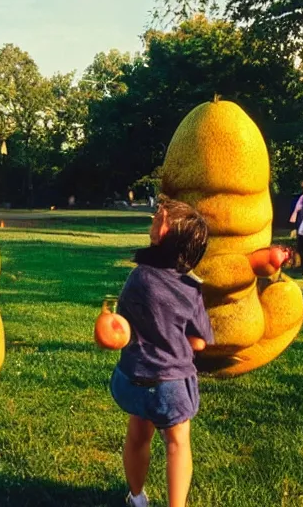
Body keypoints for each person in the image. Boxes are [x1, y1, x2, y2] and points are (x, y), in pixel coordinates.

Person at [108, 197, 213, 507]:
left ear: (168, 236)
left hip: (135, 376)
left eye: (160, 218)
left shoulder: (139, 278)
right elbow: (200, 342)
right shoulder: (190, 289)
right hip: (172, 383)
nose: (154, 219)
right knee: (177, 444)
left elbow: (123, 328)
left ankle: (137, 498)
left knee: (138, 436)